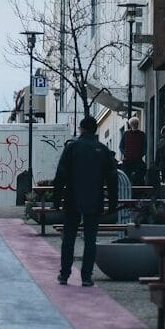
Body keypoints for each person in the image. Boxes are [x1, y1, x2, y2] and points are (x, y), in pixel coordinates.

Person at [52, 115, 118, 287]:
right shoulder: (102, 150)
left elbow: (60, 175)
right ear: (95, 130)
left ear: (81, 128)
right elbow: (112, 179)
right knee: (90, 239)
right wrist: (112, 203)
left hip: (73, 198)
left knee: (69, 238)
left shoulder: (72, 148)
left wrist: (56, 200)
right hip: (94, 199)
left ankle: (65, 274)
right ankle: (86, 276)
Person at [121, 116, 147, 185]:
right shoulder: (126, 134)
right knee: (126, 176)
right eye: (133, 124)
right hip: (127, 160)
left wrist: (141, 155)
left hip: (138, 160)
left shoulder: (142, 134)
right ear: (130, 125)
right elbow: (121, 146)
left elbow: (145, 147)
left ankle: (139, 191)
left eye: (136, 124)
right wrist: (125, 154)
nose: (135, 125)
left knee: (139, 176)